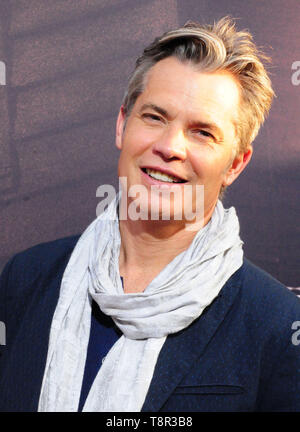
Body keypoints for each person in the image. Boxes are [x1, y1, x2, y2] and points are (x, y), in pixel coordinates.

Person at [0, 16, 299, 412]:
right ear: (123, 124)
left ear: (235, 164)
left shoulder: (275, 325)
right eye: (155, 117)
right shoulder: (27, 279)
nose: (170, 146)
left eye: (202, 132)